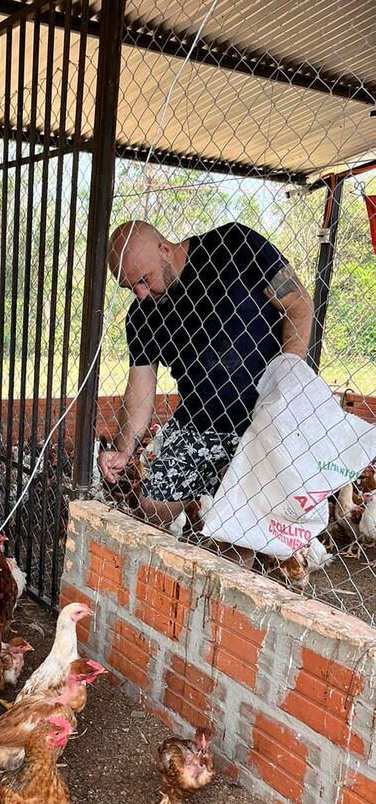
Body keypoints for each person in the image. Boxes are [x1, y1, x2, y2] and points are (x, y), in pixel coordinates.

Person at [98, 220, 314, 563]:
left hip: (260, 418)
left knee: (234, 542)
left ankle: (225, 600)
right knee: (151, 508)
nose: (140, 293)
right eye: (129, 287)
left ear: (165, 250)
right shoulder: (143, 314)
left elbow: (299, 306)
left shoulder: (233, 244)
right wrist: (124, 450)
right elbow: (140, 387)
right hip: (197, 422)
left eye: (143, 280)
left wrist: (285, 384)